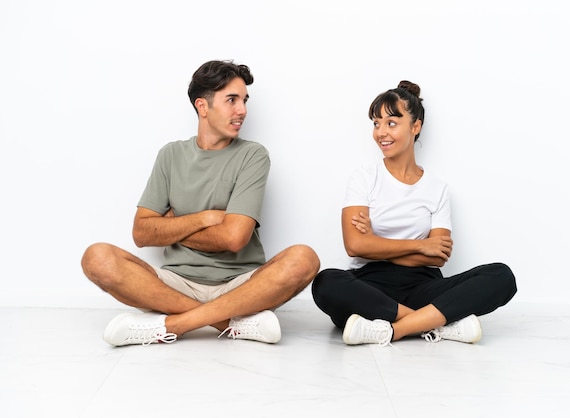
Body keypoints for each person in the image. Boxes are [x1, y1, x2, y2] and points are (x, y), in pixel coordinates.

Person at [81, 60, 320, 347]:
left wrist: (171, 225)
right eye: (231, 100)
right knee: (97, 257)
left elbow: (234, 238)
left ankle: (173, 324)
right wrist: (206, 218)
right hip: (175, 283)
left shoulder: (253, 155)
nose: (242, 110)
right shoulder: (171, 155)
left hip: (242, 285)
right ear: (202, 107)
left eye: (244, 100)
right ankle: (229, 323)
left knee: (304, 259)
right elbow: (142, 234)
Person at [311, 80, 517, 346]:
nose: (381, 132)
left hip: (423, 286)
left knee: (501, 276)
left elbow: (438, 257)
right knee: (326, 282)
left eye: (391, 123)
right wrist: (421, 246)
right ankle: (434, 324)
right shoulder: (364, 178)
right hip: (369, 285)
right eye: (376, 123)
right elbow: (355, 245)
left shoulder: (437, 189)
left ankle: (393, 329)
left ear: (415, 127)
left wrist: (377, 243)